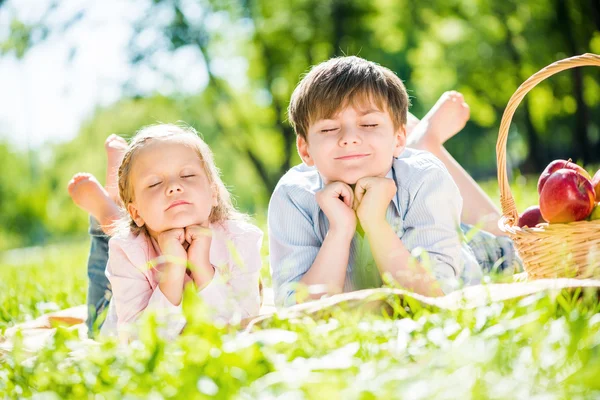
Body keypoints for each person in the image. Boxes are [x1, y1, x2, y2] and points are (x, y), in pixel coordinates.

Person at [268, 56, 519, 307]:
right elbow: (296, 310)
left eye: (368, 123)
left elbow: (435, 297)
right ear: (305, 149)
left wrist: (375, 222)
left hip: (477, 255)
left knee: (514, 241)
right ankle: (419, 139)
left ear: (399, 139)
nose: (349, 138)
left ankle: (424, 142)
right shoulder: (293, 195)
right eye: (328, 129)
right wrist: (340, 230)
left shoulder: (424, 177)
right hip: (419, 217)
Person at [68, 124, 263, 340]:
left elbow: (242, 323)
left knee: (117, 229)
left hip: (138, 223)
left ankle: (114, 204)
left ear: (213, 192)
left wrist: (202, 268)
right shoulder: (127, 249)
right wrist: (173, 271)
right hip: (117, 314)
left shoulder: (240, 239)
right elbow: (136, 338)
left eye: (188, 175)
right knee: (97, 321)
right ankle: (106, 214)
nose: (174, 187)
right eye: (155, 183)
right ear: (136, 212)